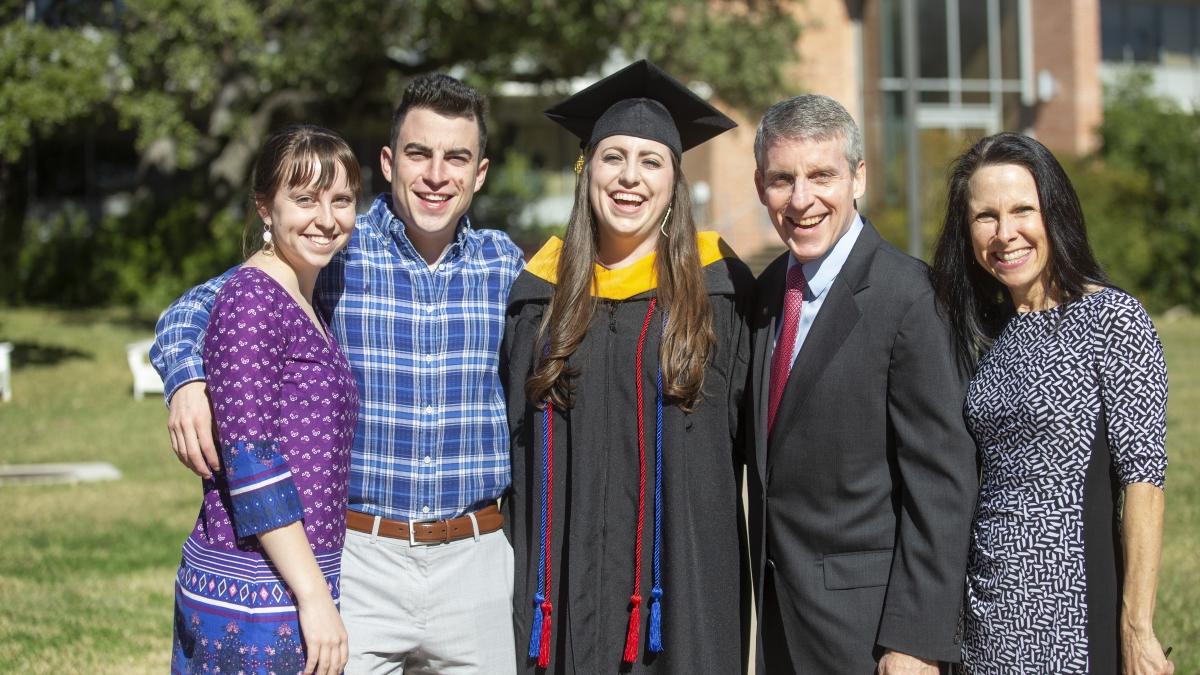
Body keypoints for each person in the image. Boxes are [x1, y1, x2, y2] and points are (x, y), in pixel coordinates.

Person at [153, 74, 525, 674]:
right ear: (387, 162)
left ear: (479, 173)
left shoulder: (504, 266)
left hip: (474, 563)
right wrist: (186, 379)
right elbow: (200, 306)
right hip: (359, 558)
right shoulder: (335, 246)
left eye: (456, 157)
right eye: (418, 153)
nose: (436, 175)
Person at [501, 60, 752, 674]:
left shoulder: (724, 295)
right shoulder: (540, 297)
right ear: (586, 170)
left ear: (674, 180)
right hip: (557, 594)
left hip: (682, 598)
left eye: (651, 161)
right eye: (613, 157)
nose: (630, 178)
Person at [745, 94, 979, 674]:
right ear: (759, 186)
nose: (801, 199)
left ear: (858, 178)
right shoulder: (769, 291)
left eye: (821, 175)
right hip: (781, 620)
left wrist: (917, 641)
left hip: (872, 635)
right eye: (782, 179)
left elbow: (941, 484)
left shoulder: (911, 298)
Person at [930, 132, 1174, 675]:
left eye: (1023, 210)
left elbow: (1145, 484)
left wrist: (1138, 629)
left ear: (1055, 214)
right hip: (983, 618)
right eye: (985, 217)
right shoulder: (985, 337)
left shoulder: (1113, 320)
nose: (1005, 233)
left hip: (1070, 617)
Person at [171, 124, 360, 675]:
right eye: (304, 200)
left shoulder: (303, 295)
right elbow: (252, 461)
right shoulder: (253, 299)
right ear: (264, 208)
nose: (326, 219)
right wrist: (314, 598)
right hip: (256, 594)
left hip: (289, 581)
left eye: (341, 200)